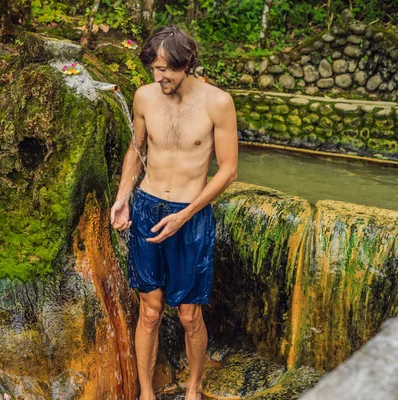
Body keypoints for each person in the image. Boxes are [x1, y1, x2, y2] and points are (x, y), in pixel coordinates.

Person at [110, 25, 238, 400]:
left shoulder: (218, 102)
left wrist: (186, 214)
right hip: (148, 207)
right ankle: (146, 393)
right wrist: (123, 196)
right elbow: (137, 150)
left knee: (188, 315)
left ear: (187, 64)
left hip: (190, 215)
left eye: (166, 69)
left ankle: (194, 388)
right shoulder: (145, 97)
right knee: (149, 312)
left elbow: (228, 170)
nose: (159, 77)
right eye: (154, 69)